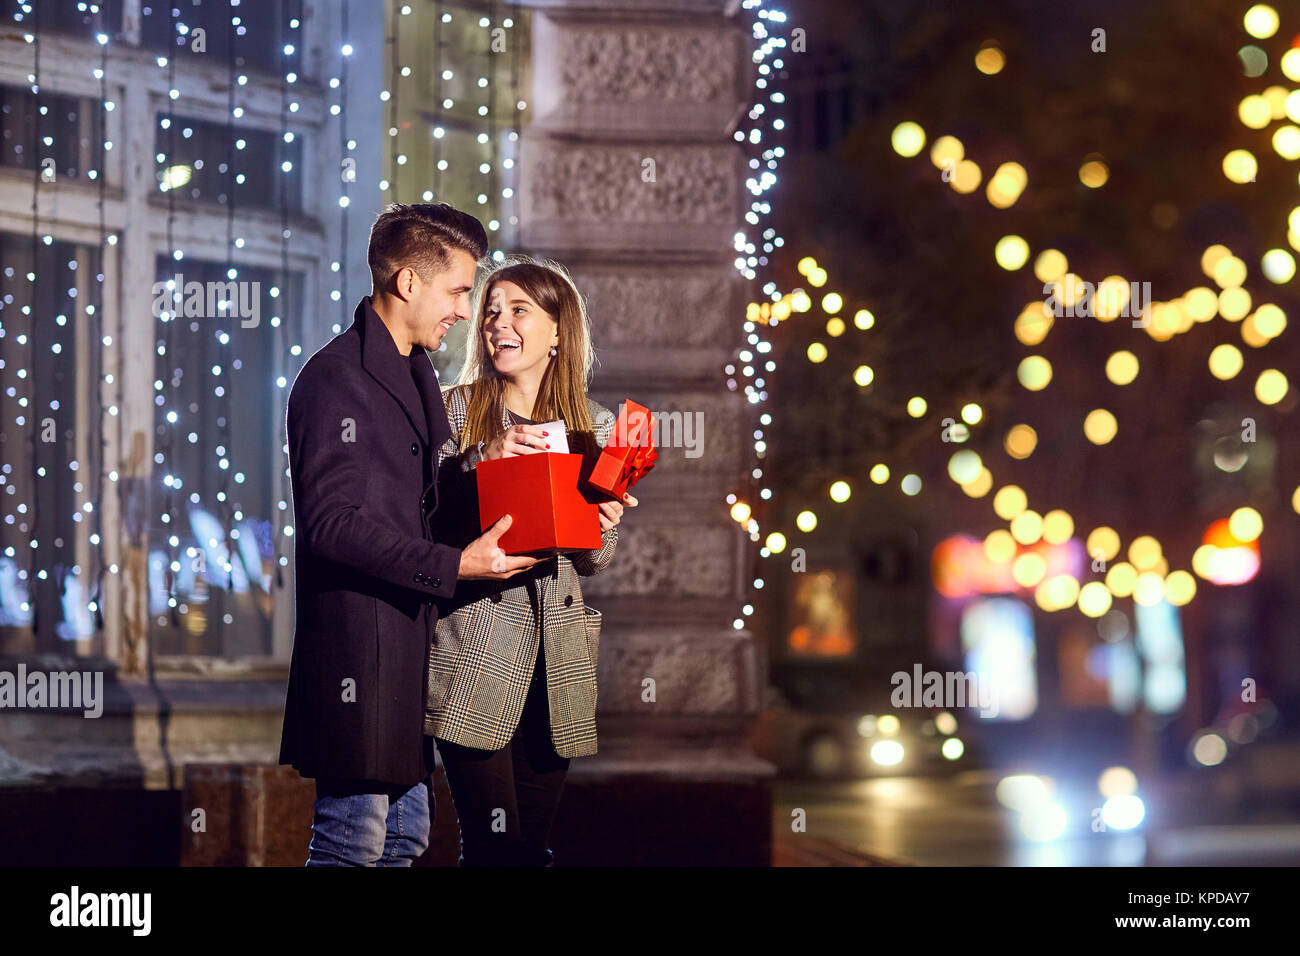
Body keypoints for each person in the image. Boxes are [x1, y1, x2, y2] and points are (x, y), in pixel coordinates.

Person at [279, 203, 539, 866]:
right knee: (352, 843)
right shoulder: (336, 379)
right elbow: (332, 526)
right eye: (457, 290)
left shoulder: (414, 374)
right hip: (359, 658)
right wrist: (457, 567)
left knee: (402, 839)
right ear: (407, 282)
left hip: (404, 654)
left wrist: (485, 461)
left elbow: (415, 501)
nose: (463, 310)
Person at [426, 257, 636, 866]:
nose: (498, 324)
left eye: (518, 310)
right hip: (475, 655)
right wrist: (478, 464)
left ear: (558, 330)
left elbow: (592, 562)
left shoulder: (594, 427)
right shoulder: (453, 412)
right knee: (493, 851)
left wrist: (604, 523)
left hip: (557, 662)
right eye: (490, 311)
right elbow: (423, 525)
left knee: (532, 850)